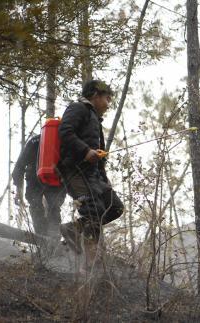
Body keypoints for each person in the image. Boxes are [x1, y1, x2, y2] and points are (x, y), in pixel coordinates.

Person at [58, 79, 124, 264]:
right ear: (95, 94)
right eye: (107, 99)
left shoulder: (95, 119)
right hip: (75, 171)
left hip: (94, 175)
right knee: (94, 211)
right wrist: (86, 151)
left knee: (115, 207)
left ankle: (73, 229)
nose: (108, 104)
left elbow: (99, 156)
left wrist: (105, 178)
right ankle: (90, 263)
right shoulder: (78, 108)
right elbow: (65, 131)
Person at [12, 134, 66, 236]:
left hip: (34, 178)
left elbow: (20, 165)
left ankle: (42, 238)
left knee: (36, 206)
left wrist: (18, 188)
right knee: (54, 208)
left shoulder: (34, 140)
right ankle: (52, 239)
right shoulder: (65, 140)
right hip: (55, 179)